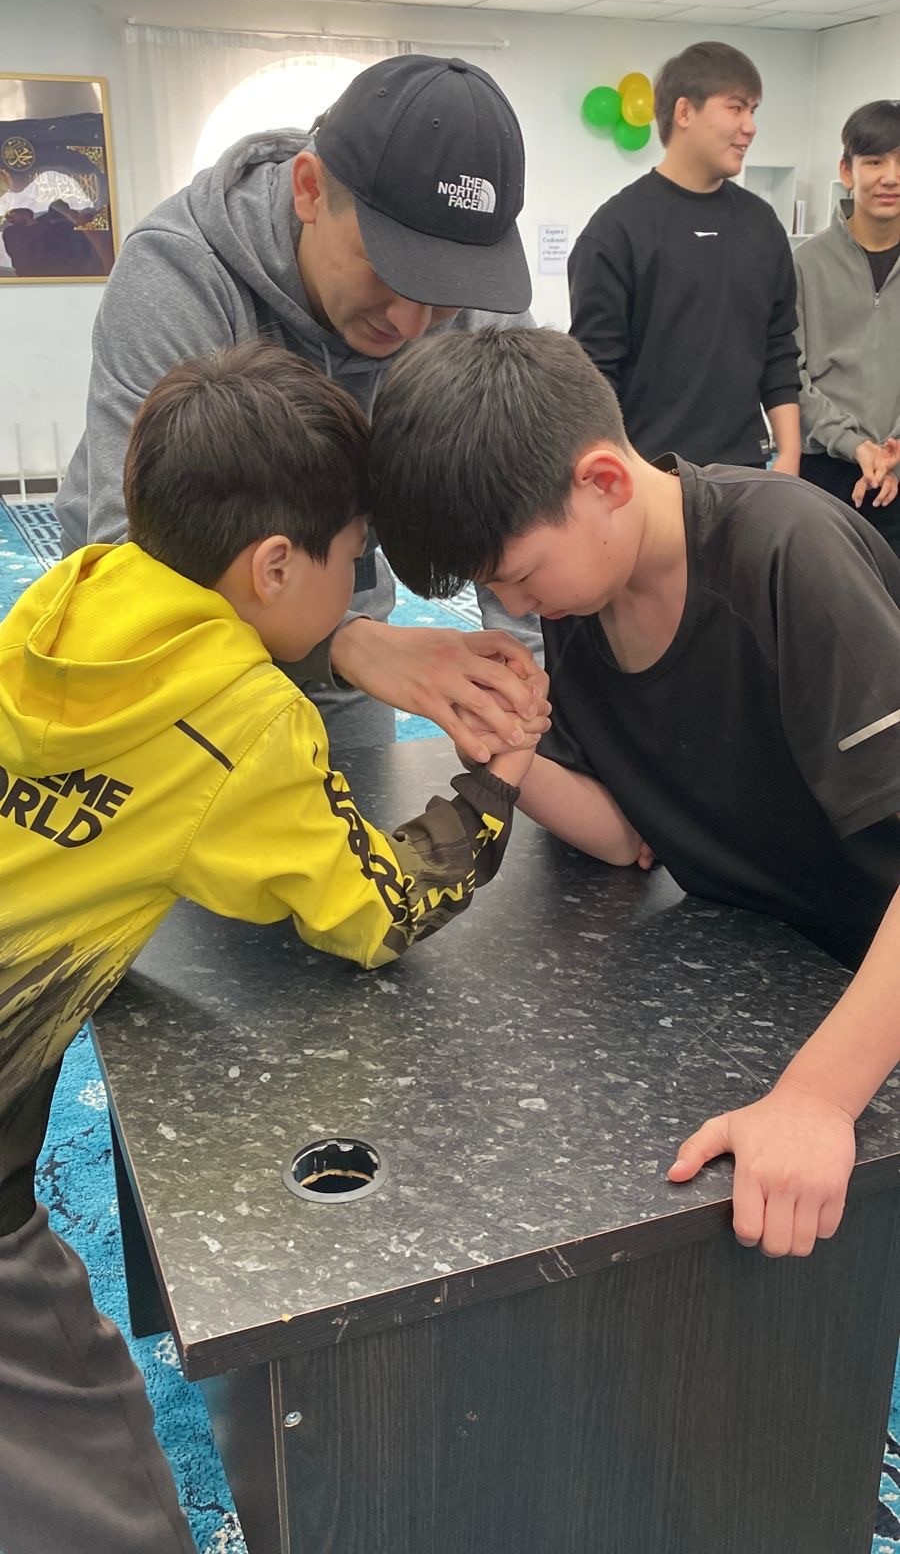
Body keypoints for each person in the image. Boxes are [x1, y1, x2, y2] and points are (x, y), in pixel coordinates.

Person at [0, 342, 546, 1554]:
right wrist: (495, 783)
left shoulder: (72, 592)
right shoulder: (249, 721)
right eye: (356, 560)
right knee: (111, 1500)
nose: (363, 593)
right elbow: (371, 910)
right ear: (277, 566)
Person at [367, 324, 900, 1263]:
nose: (517, 607)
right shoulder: (584, 602)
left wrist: (819, 1097)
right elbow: (629, 835)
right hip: (781, 971)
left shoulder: (787, 552)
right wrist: (508, 751)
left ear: (605, 481)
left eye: (518, 577)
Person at [55, 52, 542, 753]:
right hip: (164, 635)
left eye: (445, 290)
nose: (412, 323)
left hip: (339, 611)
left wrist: (525, 698)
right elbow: (131, 553)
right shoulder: (178, 272)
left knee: (350, 805)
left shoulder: (472, 300)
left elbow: (524, 497)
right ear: (309, 191)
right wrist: (347, 641)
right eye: (390, 270)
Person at [568, 41, 801, 473]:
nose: (750, 127)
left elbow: (779, 348)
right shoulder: (617, 229)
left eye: (753, 110)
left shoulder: (762, 225)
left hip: (747, 472)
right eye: (735, 108)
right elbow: (594, 373)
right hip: (649, 471)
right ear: (684, 112)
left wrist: (789, 455)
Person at [795, 99, 900, 558]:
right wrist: (855, 446)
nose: (891, 177)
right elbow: (788, 375)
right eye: (874, 161)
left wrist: (893, 455)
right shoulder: (804, 264)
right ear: (847, 171)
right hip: (824, 472)